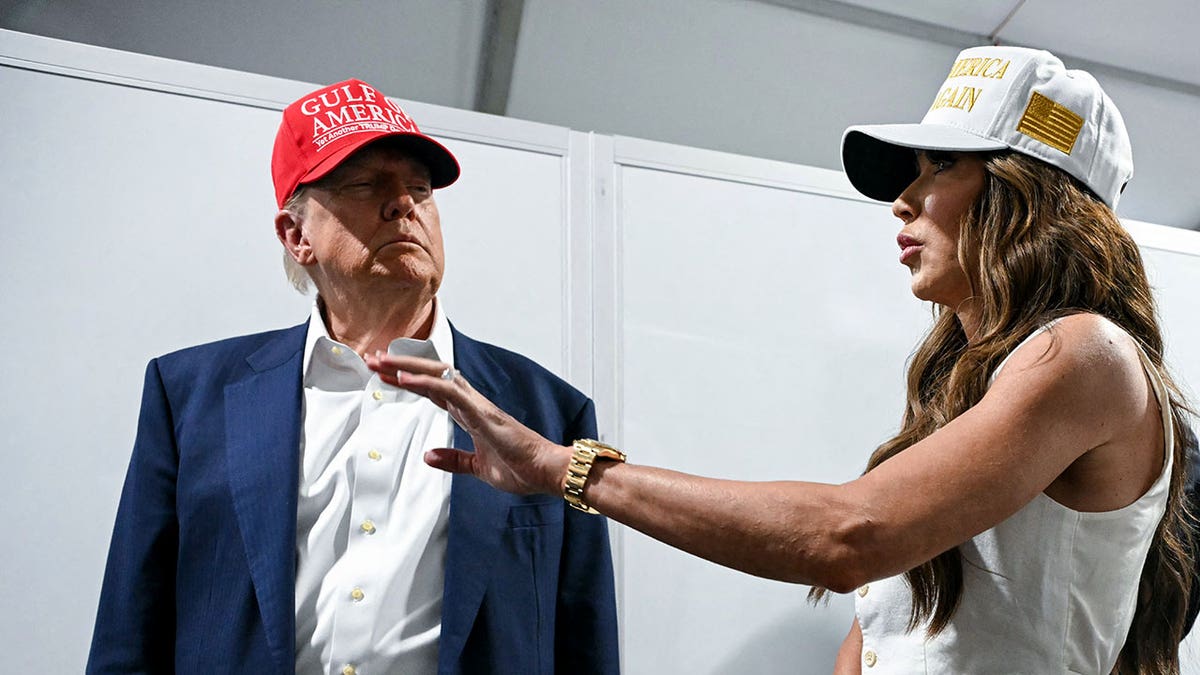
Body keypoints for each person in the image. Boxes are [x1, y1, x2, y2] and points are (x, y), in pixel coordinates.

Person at [366, 47, 1196, 674]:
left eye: (942, 165)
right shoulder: (977, 384)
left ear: (1031, 193)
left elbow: (846, 535)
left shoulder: (1086, 353)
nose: (904, 199)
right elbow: (886, 631)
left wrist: (563, 468)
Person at [86, 79, 620, 675]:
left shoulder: (548, 413)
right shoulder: (189, 397)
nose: (404, 204)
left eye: (420, 188)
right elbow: (130, 631)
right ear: (296, 236)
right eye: (366, 185)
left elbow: (586, 642)